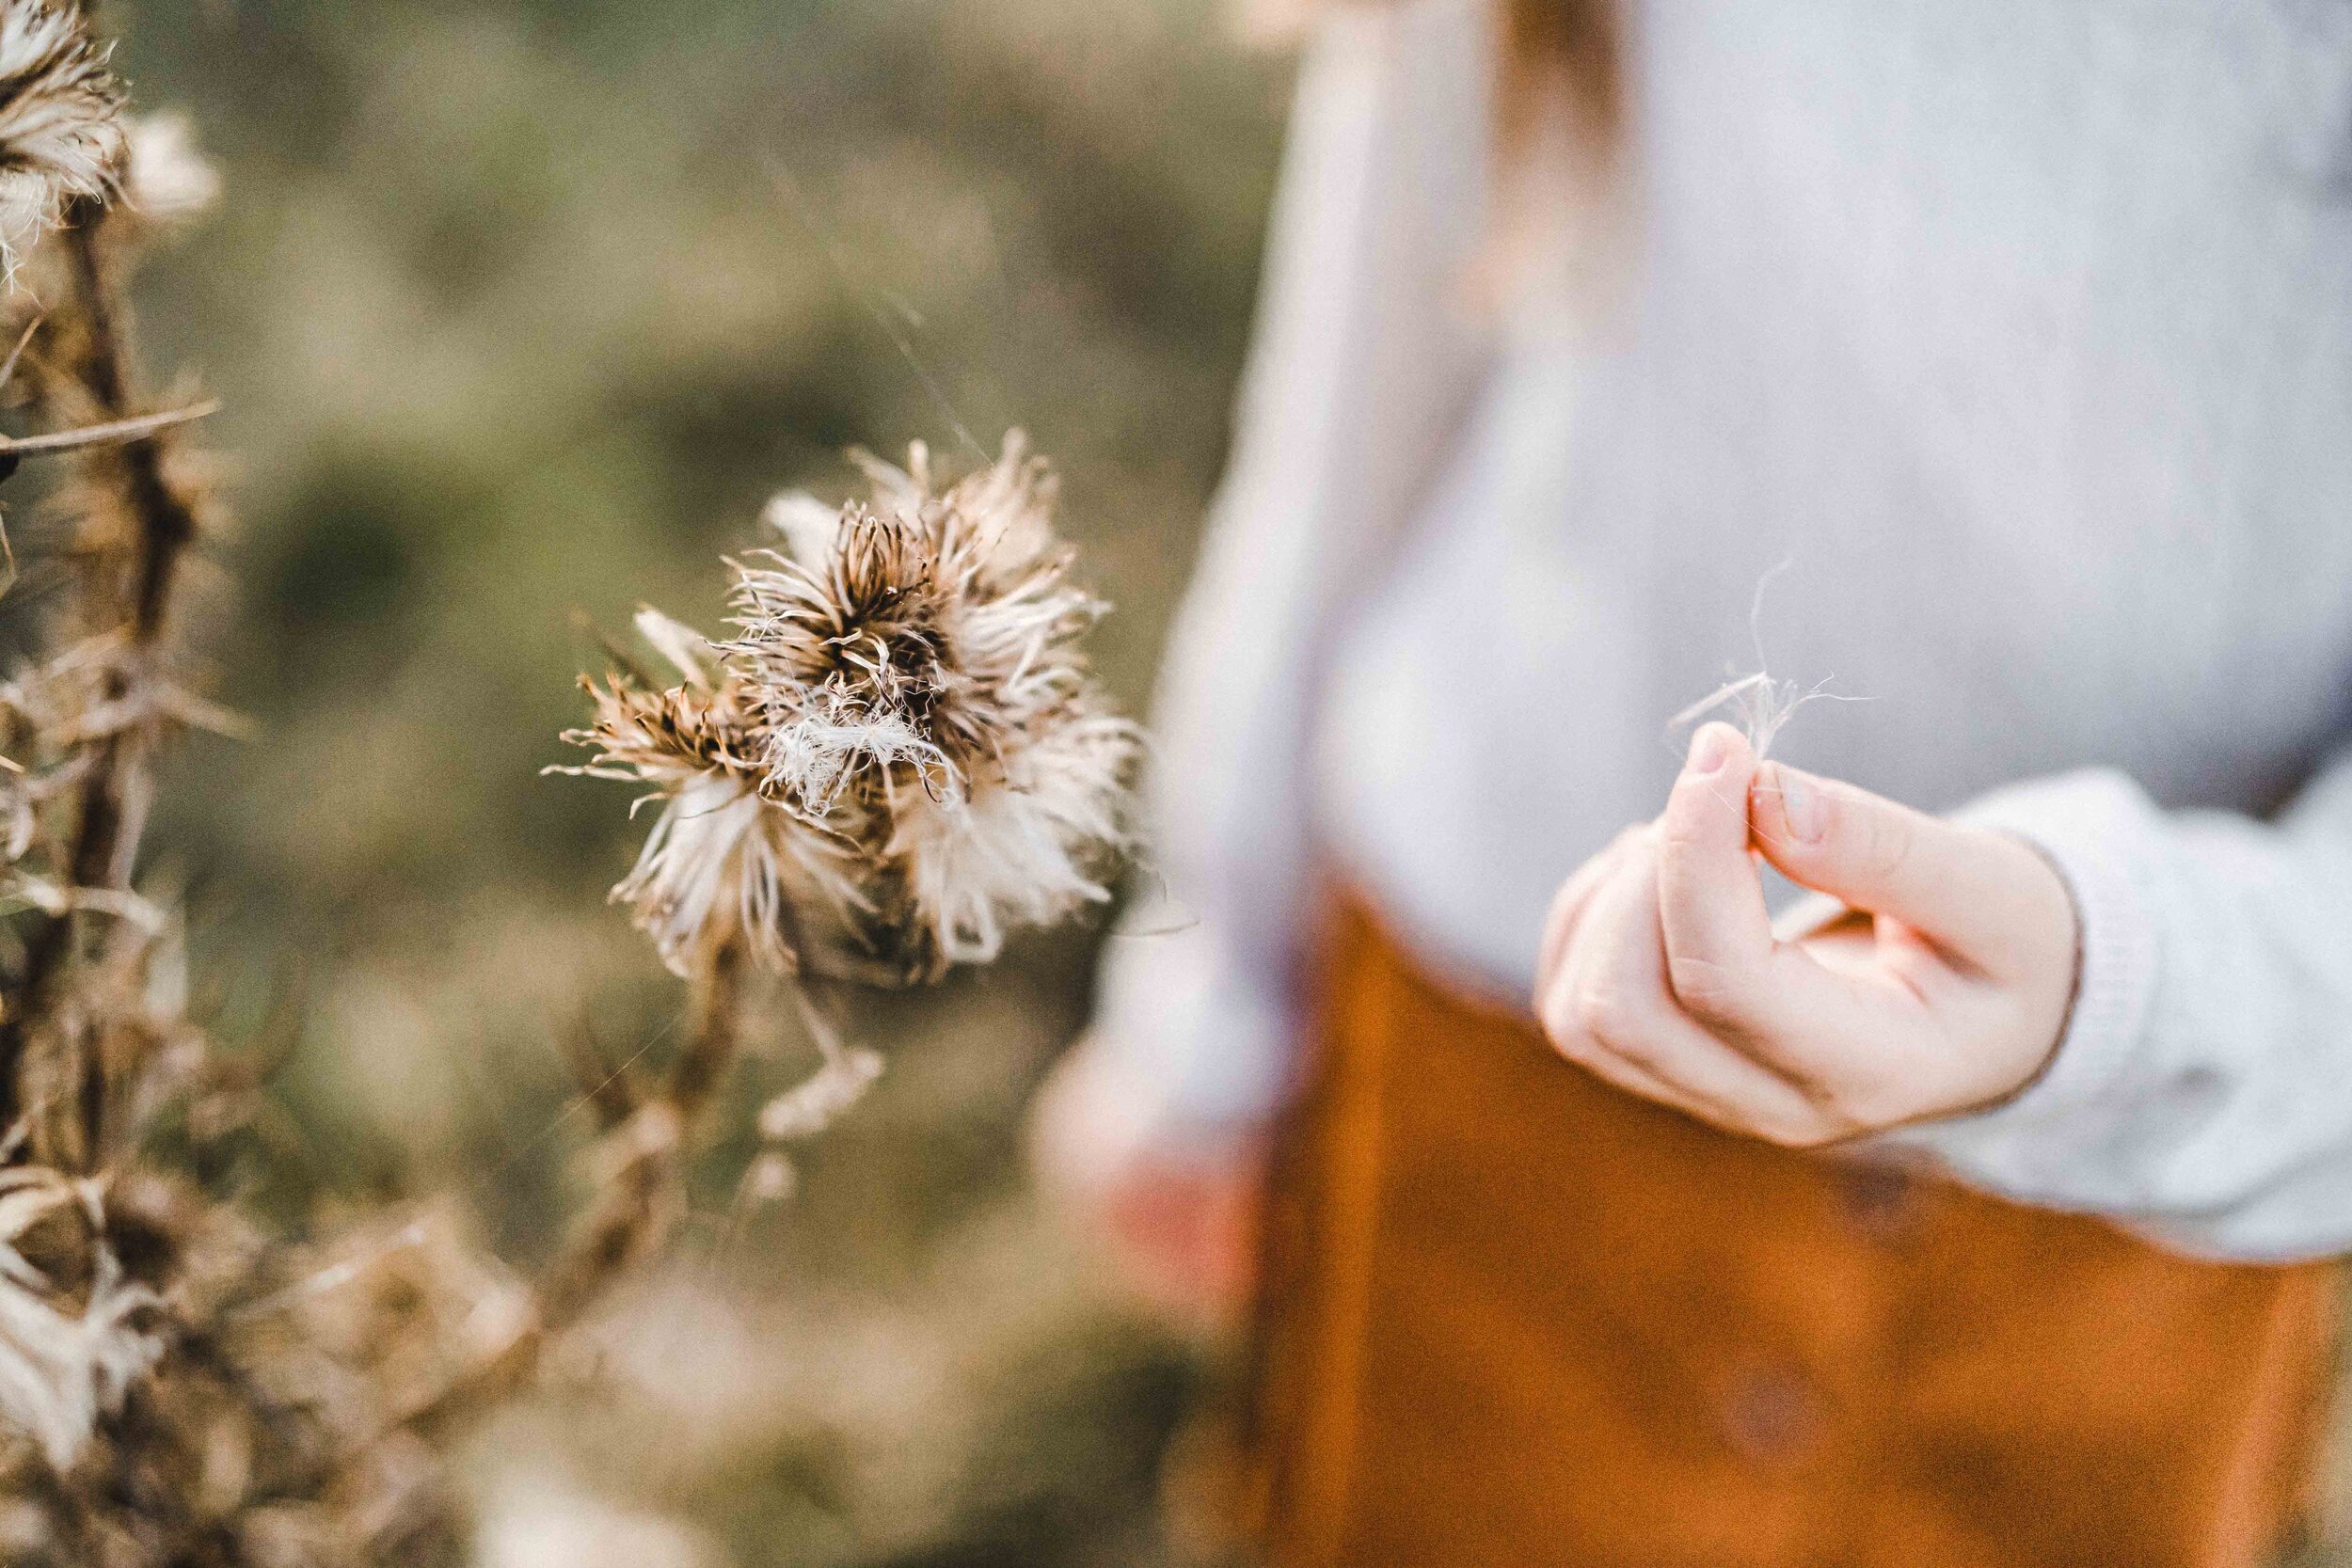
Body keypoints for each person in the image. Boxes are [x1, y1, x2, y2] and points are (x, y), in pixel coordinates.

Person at [1031, 0, 2352, 1561]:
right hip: (1510, 1080)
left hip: (2147, 1198)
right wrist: (1215, 989)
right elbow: (1382, 332)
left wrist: (2133, 990)